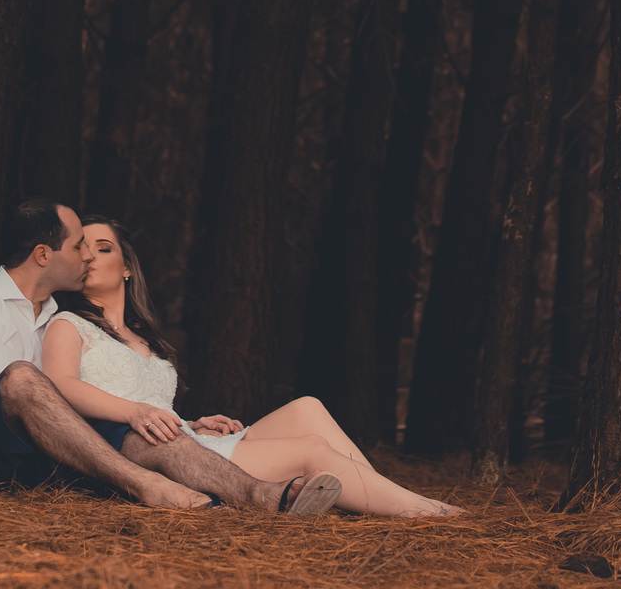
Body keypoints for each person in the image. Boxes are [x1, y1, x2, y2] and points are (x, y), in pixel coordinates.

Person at [0, 195, 341, 515]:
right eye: (77, 248)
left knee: (151, 434)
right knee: (19, 377)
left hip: (50, 456)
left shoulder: (57, 316)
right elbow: (11, 394)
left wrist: (182, 425)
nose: (87, 257)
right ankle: (147, 485)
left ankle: (263, 496)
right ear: (42, 255)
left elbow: (69, 408)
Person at [41, 218, 460, 519]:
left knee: (308, 407)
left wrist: (193, 422)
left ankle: (382, 498)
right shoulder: (69, 325)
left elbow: (151, 402)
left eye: (104, 247)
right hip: (149, 457)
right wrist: (136, 413)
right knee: (312, 450)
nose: (90, 256)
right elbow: (61, 387)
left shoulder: (143, 336)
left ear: (128, 268)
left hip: (183, 440)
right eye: (83, 248)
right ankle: (428, 513)